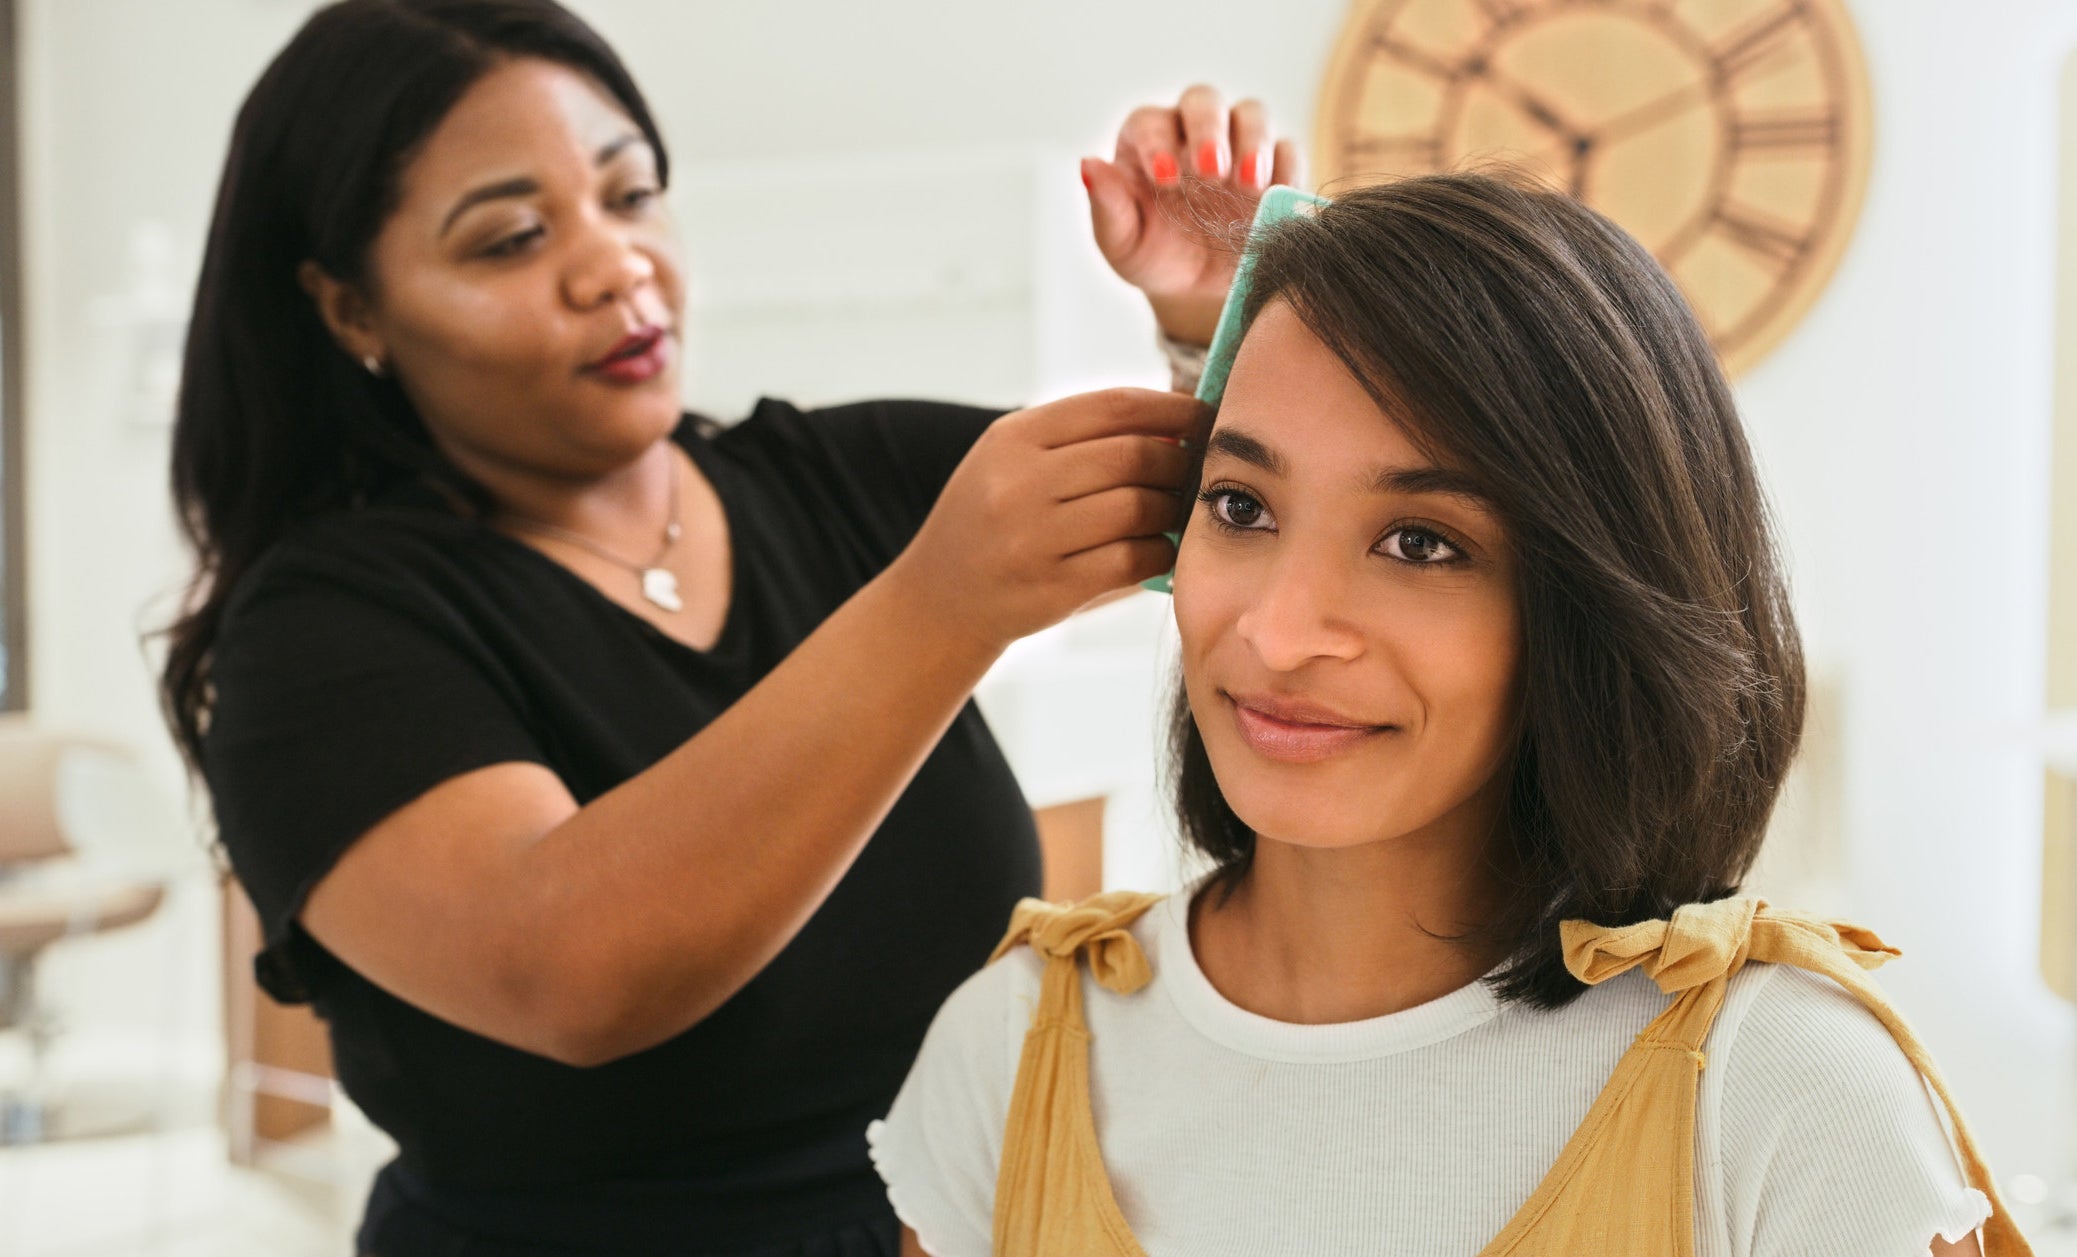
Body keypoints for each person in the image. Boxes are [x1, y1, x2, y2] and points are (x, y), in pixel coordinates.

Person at [158, 1, 1300, 1252]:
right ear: (350, 310)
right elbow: (573, 971)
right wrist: (937, 605)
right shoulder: (319, 636)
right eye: (512, 239)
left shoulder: (836, 474)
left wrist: (1213, 324)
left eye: (630, 194)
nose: (612, 265)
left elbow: (1242, 522)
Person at [869, 174, 2027, 1257]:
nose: (1276, 633)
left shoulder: (1783, 1091)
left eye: (1420, 543)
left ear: (1594, 605)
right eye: (1240, 505)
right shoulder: (1010, 1047)